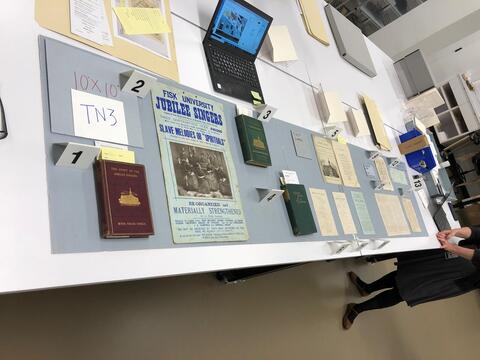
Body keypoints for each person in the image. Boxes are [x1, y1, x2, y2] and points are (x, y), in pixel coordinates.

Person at [342, 227, 480, 330]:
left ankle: (357, 309)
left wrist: (453, 248)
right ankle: (367, 288)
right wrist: (457, 231)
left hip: (464, 276)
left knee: (406, 291)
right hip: (456, 256)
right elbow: (476, 233)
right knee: (408, 274)